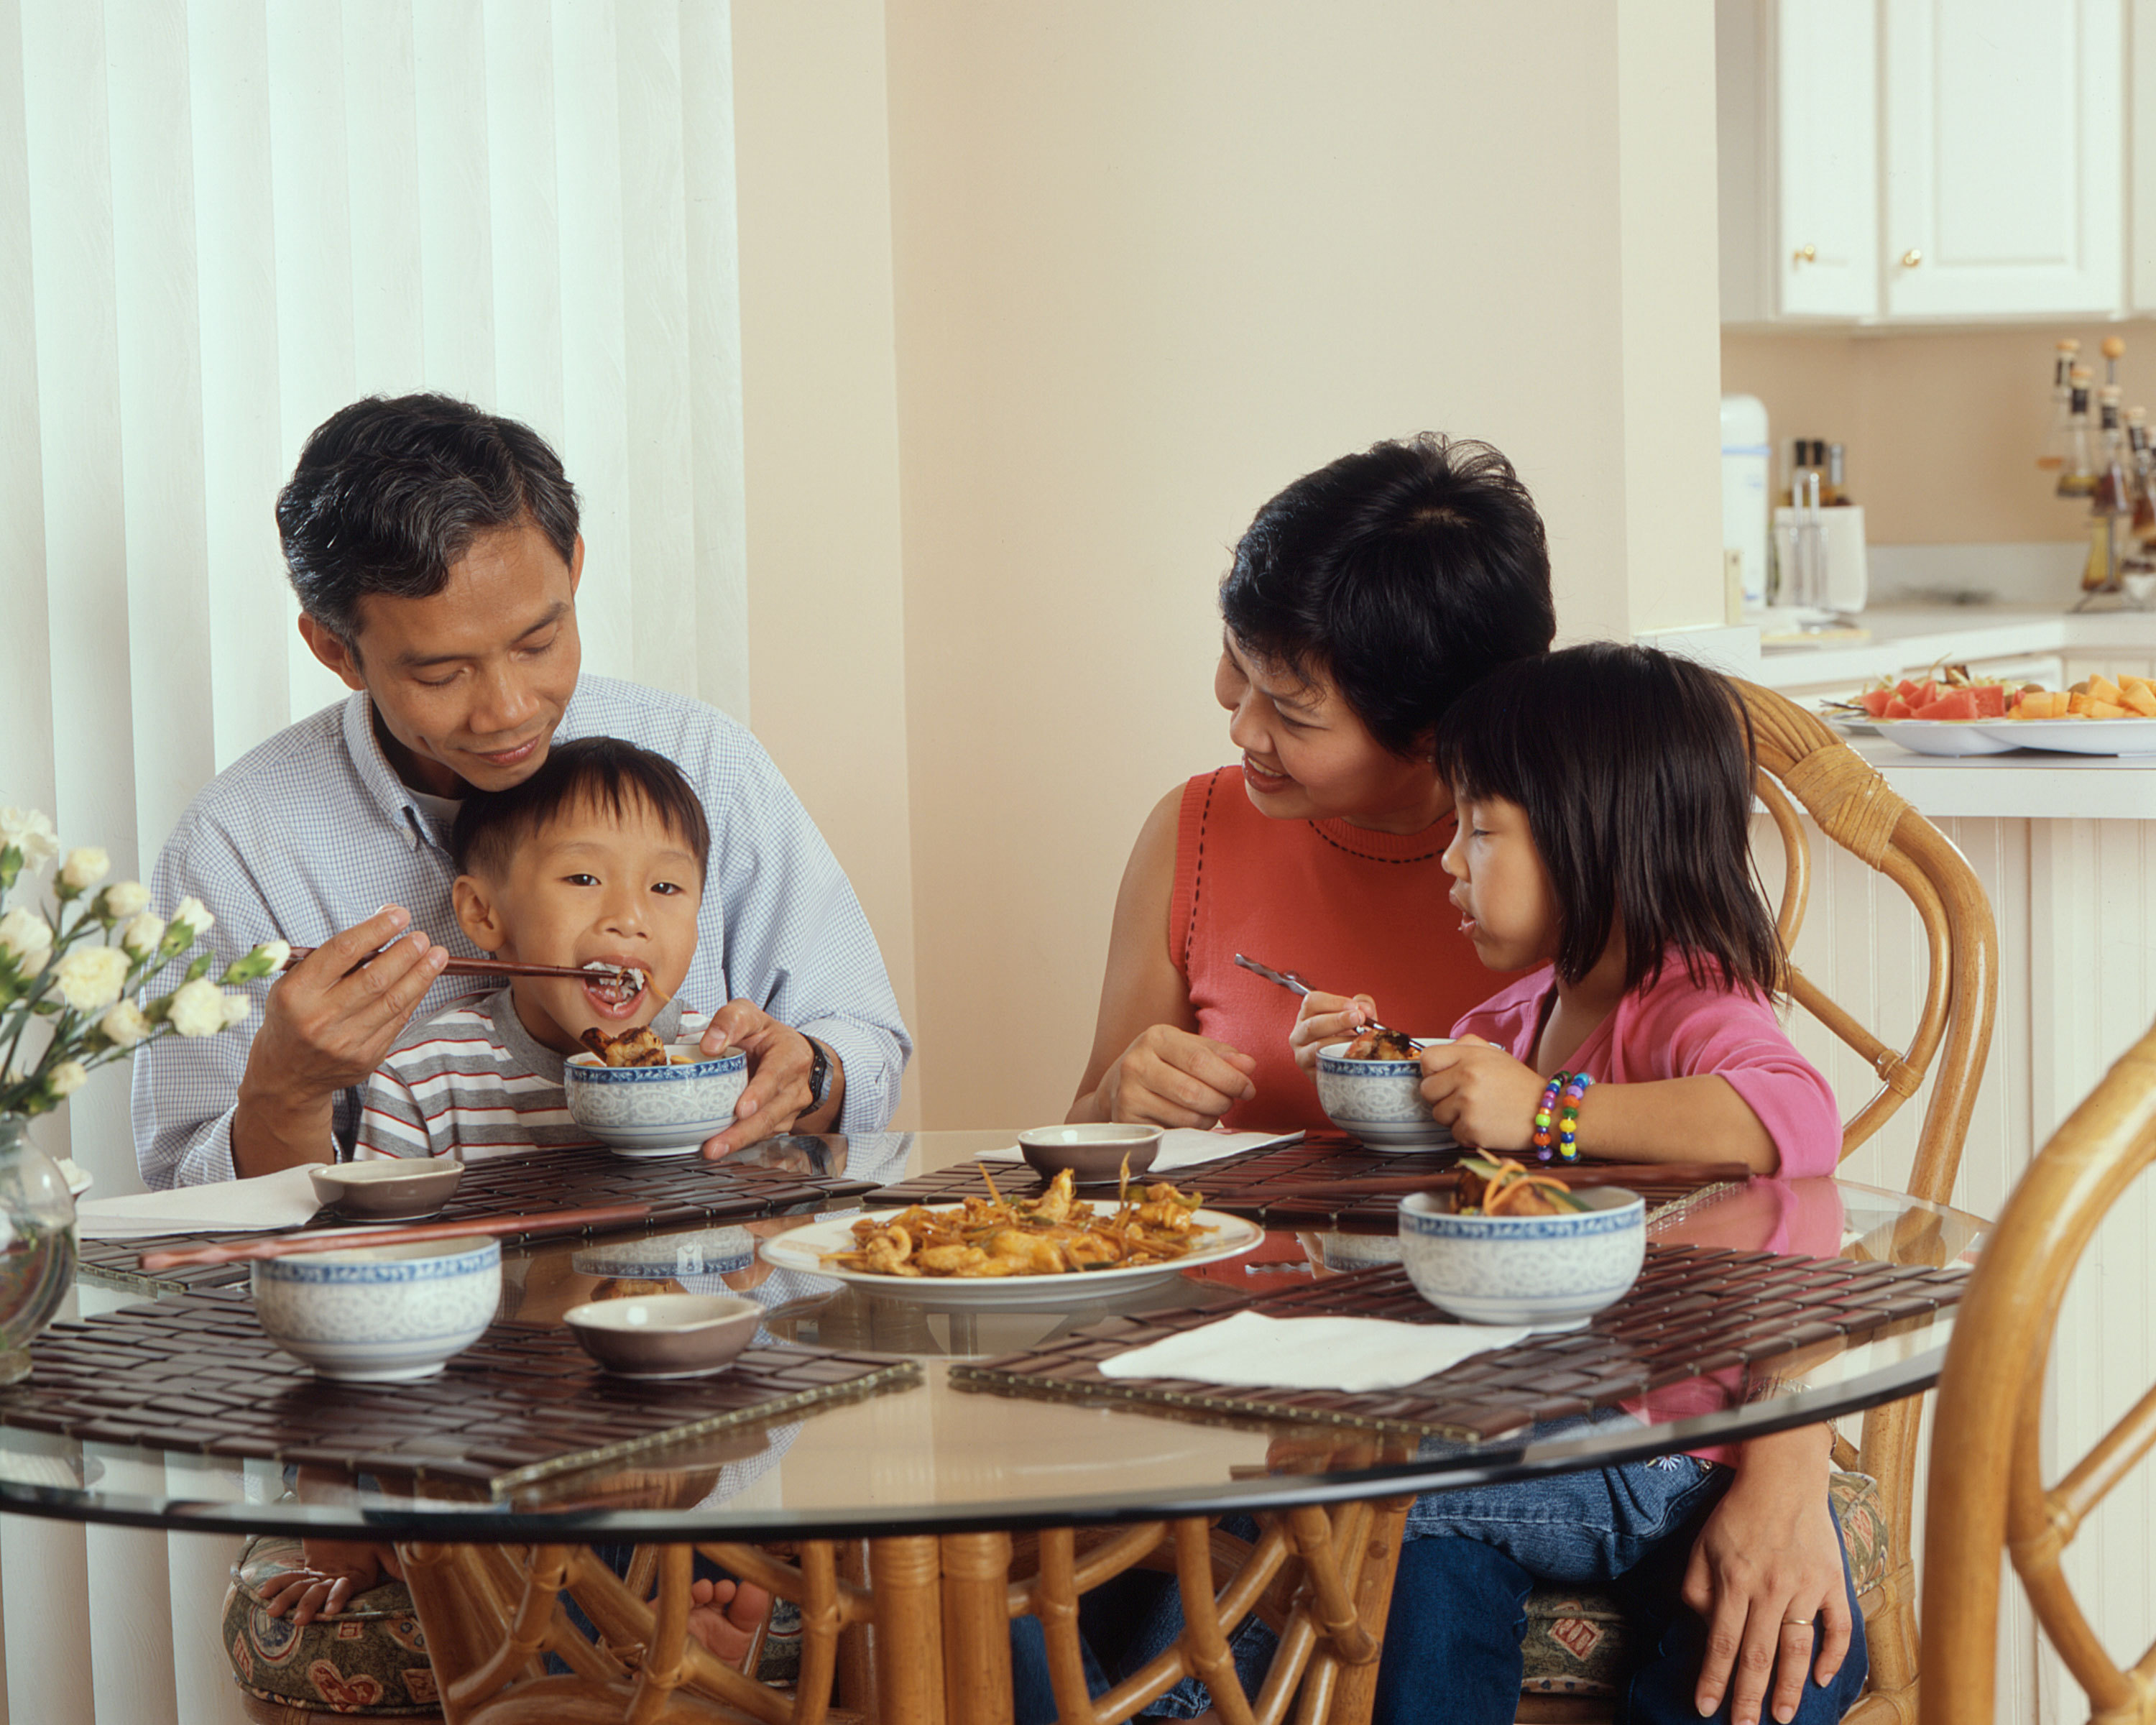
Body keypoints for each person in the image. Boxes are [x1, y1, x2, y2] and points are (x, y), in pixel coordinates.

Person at [133, 394, 909, 1186]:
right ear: (336, 649)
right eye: (441, 672)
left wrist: (810, 1072)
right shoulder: (235, 850)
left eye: (540, 641)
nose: (509, 710)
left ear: (573, 566)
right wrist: (284, 1090)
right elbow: (190, 1205)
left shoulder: (703, 760)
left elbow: (862, 1039)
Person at [1365, 643, 1864, 1725]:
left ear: (1602, 839)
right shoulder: (1501, 1026)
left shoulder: (1691, 1004)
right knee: (1411, 1540)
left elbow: (1795, 1118)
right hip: (1557, 1437)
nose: (1450, 860)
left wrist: (1544, 1111)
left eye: (1482, 830)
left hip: (1682, 1455)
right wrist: (1385, 1060)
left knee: (1792, 1660)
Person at [1068, 434, 1556, 1136]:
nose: (1241, 728)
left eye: (1293, 711)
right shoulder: (1196, 829)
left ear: (1434, 731)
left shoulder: (1580, 854)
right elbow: (1084, 1133)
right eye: (1236, 660)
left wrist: (1545, 1113)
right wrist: (1119, 1102)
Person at [357, 737, 709, 1161]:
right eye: (583, 879)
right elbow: (384, 1226)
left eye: (665, 887)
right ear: (484, 914)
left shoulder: (717, 1056)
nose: (631, 919)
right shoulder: (422, 1077)